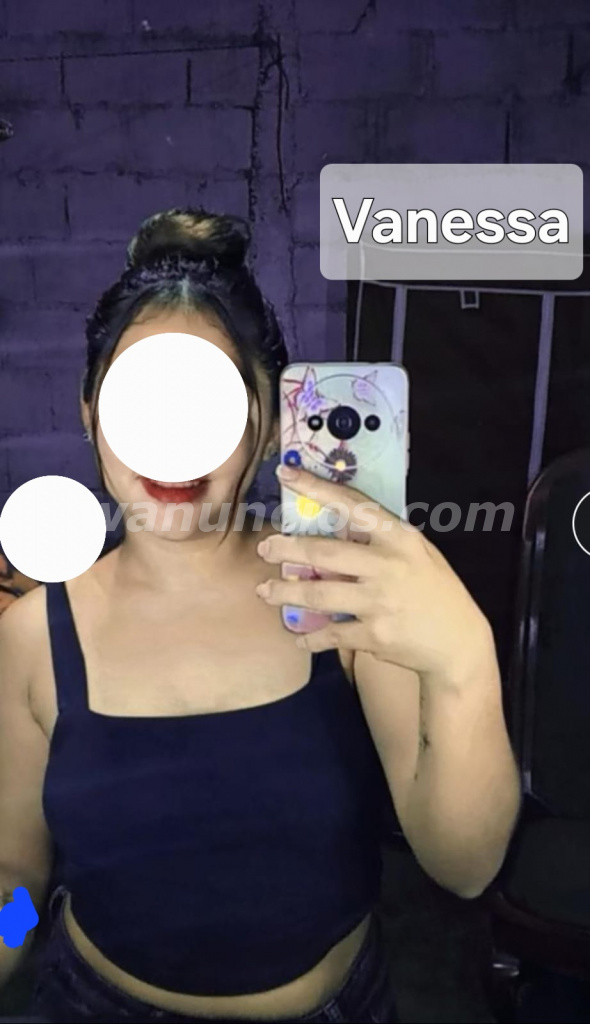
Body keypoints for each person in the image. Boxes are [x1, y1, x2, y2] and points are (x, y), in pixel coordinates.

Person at [0, 209, 521, 1023]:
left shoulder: (345, 595)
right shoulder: (31, 637)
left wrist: (463, 660)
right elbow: (19, 883)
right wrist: (4, 935)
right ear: (91, 412)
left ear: (268, 424)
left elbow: (464, 865)